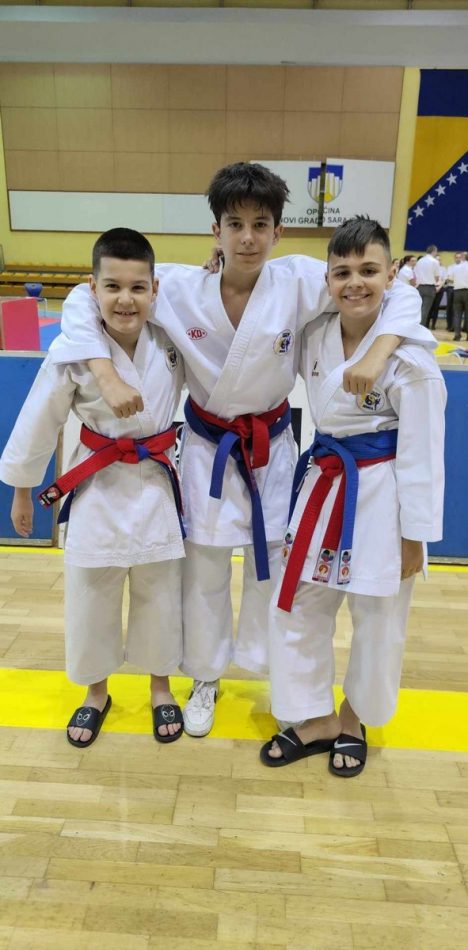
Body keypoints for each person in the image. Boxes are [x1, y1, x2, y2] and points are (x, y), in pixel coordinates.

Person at [49, 163, 435, 738]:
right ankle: (205, 676)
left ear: (279, 231)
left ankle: (272, 673)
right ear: (216, 230)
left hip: (271, 449)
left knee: (271, 569)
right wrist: (104, 374)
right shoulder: (177, 287)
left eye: (260, 225)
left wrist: (380, 350)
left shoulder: (302, 281)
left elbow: (396, 290)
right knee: (203, 570)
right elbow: (84, 300)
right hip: (207, 448)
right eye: (235, 224)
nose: (248, 238)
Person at [261, 216, 445, 777]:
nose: (355, 283)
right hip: (324, 483)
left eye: (369, 271)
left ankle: (353, 717)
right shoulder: (316, 332)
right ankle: (314, 716)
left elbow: (423, 457)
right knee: (299, 604)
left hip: (382, 495)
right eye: (342, 272)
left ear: (392, 276)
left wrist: (415, 537)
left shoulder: (411, 361)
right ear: (328, 279)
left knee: (378, 615)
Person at [0, 228, 186, 747]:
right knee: (90, 592)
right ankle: (95, 691)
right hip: (97, 483)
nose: (126, 299)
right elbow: (40, 418)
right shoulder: (74, 349)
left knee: (160, 591)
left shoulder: (169, 338)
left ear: (154, 289)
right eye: (113, 287)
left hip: (156, 480)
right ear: (92, 288)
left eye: (138, 287)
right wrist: (23, 489)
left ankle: (160, 686)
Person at [413, 244, 441, 327]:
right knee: (425, 310)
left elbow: (415, 274)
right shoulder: (435, 261)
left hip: (419, 287)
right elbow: (437, 277)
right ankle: (420, 328)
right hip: (429, 288)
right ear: (434, 251)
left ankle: (414, 326)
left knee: (418, 309)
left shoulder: (420, 261)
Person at [452, 251, 468, 341]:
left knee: (457, 314)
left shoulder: (455, 267)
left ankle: (457, 335)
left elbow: (451, 278)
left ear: (462, 257)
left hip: (457, 292)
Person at [445, 252, 462, 333]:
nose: (458, 259)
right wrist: (458, 280)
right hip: (451, 288)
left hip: (460, 289)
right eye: (457, 257)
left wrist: (455, 279)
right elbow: (448, 279)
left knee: (458, 309)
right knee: (450, 308)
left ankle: (457, 326)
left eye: (459, 257)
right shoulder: (450, 267)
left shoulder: (464, 267)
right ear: (454, 258)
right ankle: (449, 326)